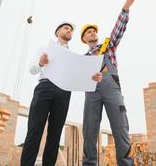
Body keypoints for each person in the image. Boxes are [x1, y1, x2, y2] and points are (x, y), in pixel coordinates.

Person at [20, 22, 102, 166]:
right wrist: (40, 63)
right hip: (45, 87)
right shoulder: (45, 47)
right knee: (34, 130)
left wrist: (93, 78)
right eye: (66, 28)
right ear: (57, 32)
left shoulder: (72, 56)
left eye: (71, 30)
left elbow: (80, 75)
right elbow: (32, 70)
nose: (69, 30)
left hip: (64, 92)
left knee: (55, 134)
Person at [81, 0, 139, 166]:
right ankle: (89, 163)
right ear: (83, 39)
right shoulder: (81, 60)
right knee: (89, 130)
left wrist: (125, 8)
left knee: (120, 128)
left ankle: (126, 164)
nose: (93, 33)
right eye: (88, 32)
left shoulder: (108, 46)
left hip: (112, 88)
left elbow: (118, 30)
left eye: (94, 31)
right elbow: (75, 79)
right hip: (91, 93)